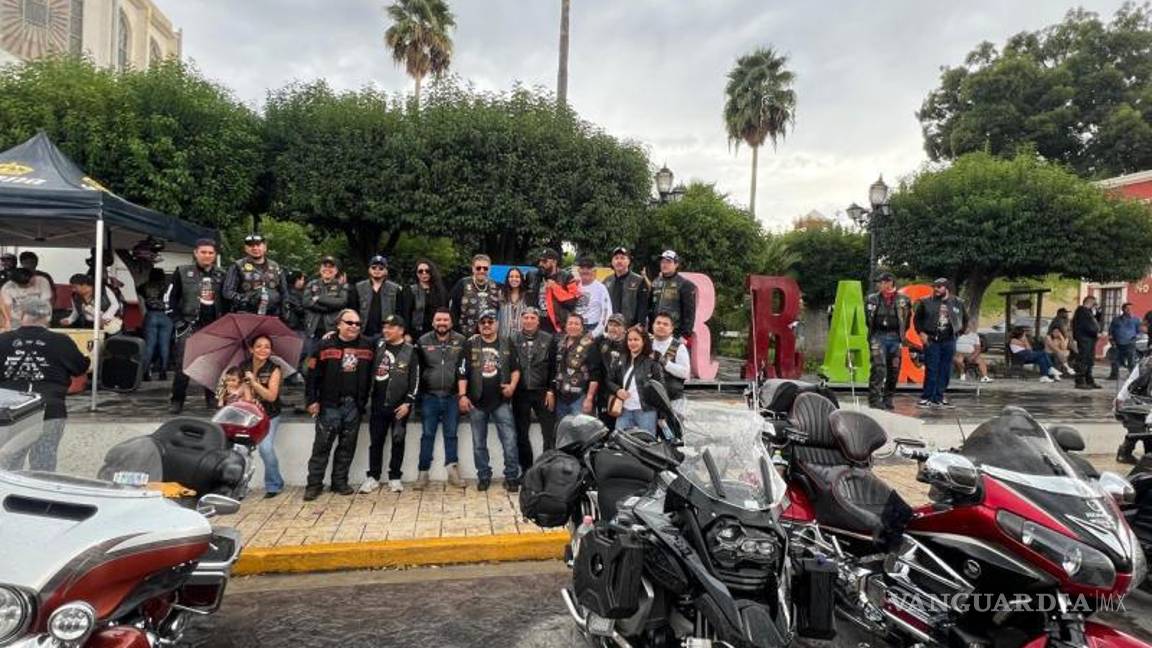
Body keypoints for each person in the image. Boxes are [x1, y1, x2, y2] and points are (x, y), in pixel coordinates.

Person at [0, 298, 89, 471]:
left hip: (10, 411)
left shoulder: (3, 340)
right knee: (43, 463)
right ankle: (39, 497)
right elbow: (80, 367)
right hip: (51, 408)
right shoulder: (61, 341)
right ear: (48, 316)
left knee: (7, 464)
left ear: (21, 314)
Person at [303, 309, 375, 501]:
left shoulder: (368, 346)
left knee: (347, 447)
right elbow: (311, 376)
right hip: (329, 405)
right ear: (338, 324)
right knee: (321, 447)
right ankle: (314, 485)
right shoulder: (323, 345)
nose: (354, 327)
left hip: (354, 405)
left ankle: (339, 482)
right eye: (349, 323)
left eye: (357, 324)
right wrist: (311, 400)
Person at [458, 309, 520, 492]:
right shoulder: (470, 344)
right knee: (479, 444)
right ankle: (484, 476)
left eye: (490, 322)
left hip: (501, 401)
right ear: (478, 325)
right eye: (483, 322)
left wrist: (512, 387)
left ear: (497, 324)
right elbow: (462, 372)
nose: (486, 325)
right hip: (476, 401)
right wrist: (462, 395)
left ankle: (511, 476)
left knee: (509, 441)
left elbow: (516, 369)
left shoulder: (506, 342)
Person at [359, 315, 421, 494]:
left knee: (398, 441)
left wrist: (408, 402)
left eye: (391, 327)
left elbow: (415, 379)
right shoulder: (378, 345)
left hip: (400, 406)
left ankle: (395, 477)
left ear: (401, 330)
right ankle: (373, 477)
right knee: (376, 442)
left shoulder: (411, 351)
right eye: (384, 327)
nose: (386, 330)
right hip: (378, 404)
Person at [166, 239, 225, 413]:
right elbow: (169, 299)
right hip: (189, 324)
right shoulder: (182, 272)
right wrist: (178, 322)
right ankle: (177, 401)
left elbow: (228, 300)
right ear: (196, 253)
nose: (207, 256)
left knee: (214, 365)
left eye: (211, 253)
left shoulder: (222, 274)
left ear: (215, 255)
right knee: (183, 365)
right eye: (204, 252)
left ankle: (213, 399)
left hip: (214, 326)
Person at [415, 308, 466, 489]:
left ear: (451, 323)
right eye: (438, 320)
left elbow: (464, 369)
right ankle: (423, 473)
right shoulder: (422, 341)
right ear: (433, 322)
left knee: (451, 435)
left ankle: (452, 470)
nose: (442, 323)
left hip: (452, 396)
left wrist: (462, 395)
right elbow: (417, 370)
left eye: (445, 320)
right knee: (427, 435)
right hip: (430, 396)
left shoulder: (461, 340)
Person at [241, 334, 286, 499]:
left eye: (267, 346)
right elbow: (245, 395)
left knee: (265, 448)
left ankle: (274, 484)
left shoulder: (275, 369)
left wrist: (254, 383)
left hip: (270, 415)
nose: (263, 350)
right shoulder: (243, 366)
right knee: (240, 451)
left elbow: (271, 396)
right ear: (251, 349)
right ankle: (239, 486)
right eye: (258, 346)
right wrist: (251, 402)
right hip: (250, 415)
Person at [511, 307, 556, 469]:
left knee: (549, 433)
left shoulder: (549, 339)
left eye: (532, 318)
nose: (529, 321)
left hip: (542, 391)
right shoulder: (512, 339)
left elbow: (553, 367)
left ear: (538, 321)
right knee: (522, 434)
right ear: (521, 320)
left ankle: (546, 469)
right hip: (520, 393)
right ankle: (527, 470)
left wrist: (551, 390)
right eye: (526, 317)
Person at [912, 278, 968, 408]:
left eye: (939, 287)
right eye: (935, 286)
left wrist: (959, 332)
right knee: (931, 369)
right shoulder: (926, 302)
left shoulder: (957, 302)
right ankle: (926, 397)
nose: (936, 289)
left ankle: (939, 397)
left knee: (945, 369)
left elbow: (965, 319)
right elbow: (917, 319)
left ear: (946, 288)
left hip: (949, 340)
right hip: (932, 340)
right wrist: (921, 333)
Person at [864, 271, 911, 410]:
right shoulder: (871, 299)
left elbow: (907, 320)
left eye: (882, 282)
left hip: (895, 337)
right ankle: (874, 399)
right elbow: (868, 319)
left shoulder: (904, 299)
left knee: (894, 369)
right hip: (878, 335)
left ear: (890, 283)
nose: (879, 285)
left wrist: (901, 334)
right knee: (878, 368)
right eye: (879, 283)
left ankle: (888, 398)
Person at [606, 326, 665, 435]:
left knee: (646, 445)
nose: (632, 343)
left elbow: (661, 390)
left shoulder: (652, 362)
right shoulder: (621, 359)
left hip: (646, 411)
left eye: (636, 340)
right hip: (624, 410)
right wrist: (618, 390)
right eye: (630, 340)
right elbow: (609, 380)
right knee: (620, 445)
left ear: (644, 341)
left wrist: (662, 415)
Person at [222, 233, 288, 316]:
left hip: (272, 315)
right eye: (251, 245)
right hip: (246, 314)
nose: (255, 248)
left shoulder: (275, 266)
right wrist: (248, 299)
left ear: (265, 247)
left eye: (258, 245)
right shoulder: (237, 266)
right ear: (245, 248)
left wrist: (285, 312)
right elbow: (227, 292)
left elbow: (284, 292)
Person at [553, 312, 602, 419]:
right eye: (570, 323)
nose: (573, 326)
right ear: (565, 326)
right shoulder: (559, 343)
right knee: (562, 432)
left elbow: (595, 374)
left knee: (581, 433)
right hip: (560, 397)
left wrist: (589, 398)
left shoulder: (589, 345)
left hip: (580, 397)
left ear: (582, 327)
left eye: (576, 324)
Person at [304, 257, 353, 351]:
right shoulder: (312, 284)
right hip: (312, 328)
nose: (327, 269)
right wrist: (329, 307)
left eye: (331, 267)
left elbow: (341, 303)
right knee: (309, 358)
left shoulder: (342, 286)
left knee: (330, 358)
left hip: (332, 329)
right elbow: (306, 303)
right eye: (325, 266)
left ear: (336, 270)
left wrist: (318, 298)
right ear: (320, 269)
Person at [528, 248, 580, 335]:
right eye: (540, 261)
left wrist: (555, 287)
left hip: (558, 326)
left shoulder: (567, 277)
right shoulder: (535, 276)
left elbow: (572, 302)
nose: (540, 264)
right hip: (538, 325)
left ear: (554, 262)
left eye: (544, 261)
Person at [353, 255, 404, 342]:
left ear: (386, 271)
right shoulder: (358, 287)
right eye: (374, 267)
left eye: (381, 268)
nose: (377, 270)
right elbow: (353, 310)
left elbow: (399, 313)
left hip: (386, 334)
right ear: (369, 270)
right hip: (363, 333)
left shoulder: (395, 289)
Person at [648, 250, 697, 340]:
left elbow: (689, 312)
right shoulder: (655, 282)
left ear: (676, 264)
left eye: (668, 262)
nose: (664, 264)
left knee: (673, 354)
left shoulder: (684, 284)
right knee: (656, 354)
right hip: (656, 331)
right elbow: (650, 307)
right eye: (662, 262)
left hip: (676, 333)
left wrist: (685, 334)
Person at [450, 254, 501, 336]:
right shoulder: (462, 284)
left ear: (489, 270)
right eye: (478, 268)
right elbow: (453, 311)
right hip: (465, 335)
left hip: (489, 335)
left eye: (485, 268)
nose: (482, 270)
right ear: (473, 269)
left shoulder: (496, 286)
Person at [651, 312, 691, 415]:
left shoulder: (678, 347)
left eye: (665, 324)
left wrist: (664, 362)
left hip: (673, 402)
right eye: (658, 323)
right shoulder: (646, 343)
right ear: (653, 325)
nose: (661, 326)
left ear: (671, 328)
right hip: (649, 401)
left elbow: (685, 372)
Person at [602, 246, 649, 329]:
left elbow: (643, 308)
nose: (619, 261)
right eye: (616, 258)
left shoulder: (639, 281)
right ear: (612, 262)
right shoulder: (606, 281)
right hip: (610, 328)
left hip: (630, 329)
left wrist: (639, 327)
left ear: (629, 261)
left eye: (622, 258)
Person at [138, 268, 172, 381]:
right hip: (166, 316)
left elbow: (141, 301)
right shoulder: (167, 286)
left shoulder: (143, 287)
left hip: (151, 315)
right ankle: (163, 372)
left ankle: (146, 372)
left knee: (149, 345)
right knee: (164, 345)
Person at [595, 313, 628, 427]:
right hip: (604, 394)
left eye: (617, 325)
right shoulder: (601, 342)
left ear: (624, 329)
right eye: (611, 324)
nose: (613, 328)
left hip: (623, 394)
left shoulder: (629, 345)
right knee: (605, 429)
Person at [0, 267, 53, 331]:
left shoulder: (42, 281)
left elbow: (46, 302)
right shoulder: (7, 288)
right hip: (17, 319)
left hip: (40, 317)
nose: (29, 285)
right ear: (15, 283)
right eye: (24, 284)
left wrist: (45, 320)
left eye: (31, 282)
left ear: (33, 276)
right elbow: (7, 306)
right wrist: (8, 321)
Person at [406, 258, 447, 340]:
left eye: (427, 271)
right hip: (416, 333)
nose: (424, 273)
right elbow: (406, 313)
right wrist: (406, 333)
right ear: (417, 274)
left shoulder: (440, 291)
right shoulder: (411, 290)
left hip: (436, 332)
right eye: (420, 271)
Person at [574, 256, 612, 338]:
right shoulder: (574, 285)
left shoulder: (601, 288)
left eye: (588, 268)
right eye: (582, 268)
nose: (585, 270)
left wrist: (595, 332)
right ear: (578, 270)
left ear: (594, 270)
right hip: (576, 328)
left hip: (592, 327)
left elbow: (607, 312)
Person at [1072, 295, 1104, 390]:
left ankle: (1089, 380)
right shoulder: (1082, 311)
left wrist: (1098, 313)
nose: (1095, 305)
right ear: (1089, 302)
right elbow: (1086, 326)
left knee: (1089, 360)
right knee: (1083, 359)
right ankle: (1080, 381)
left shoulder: (1088, 312)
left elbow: (1096, 322)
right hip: (1084, 339)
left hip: (1090, 339)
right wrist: (1095, 333)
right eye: (1094, 303)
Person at [1108, 302, 1140, 380]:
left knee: (1131, 361)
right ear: (1123, 309)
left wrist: (1135, 339)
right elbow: (1111, 331)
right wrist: (1112, 341)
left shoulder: (1136, 320)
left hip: (1130, 344)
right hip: (1117, 343)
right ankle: (1114, 375)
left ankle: (1133, 377)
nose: (1129, 310)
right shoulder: (1116, 320)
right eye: (1127, 308)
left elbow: (1139, 331)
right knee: (1115, 360)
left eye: (1131, 308)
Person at [499, 266, 530, 340]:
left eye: (517, 277)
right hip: (504, 337)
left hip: (522, 338)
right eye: (511, 276)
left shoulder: (527, 296)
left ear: (521, 279)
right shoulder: (501, 294)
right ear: (508, 279)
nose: (514, 279)